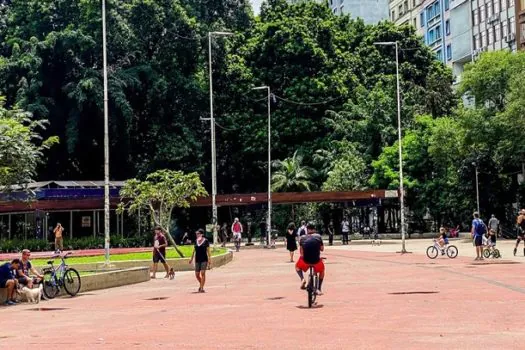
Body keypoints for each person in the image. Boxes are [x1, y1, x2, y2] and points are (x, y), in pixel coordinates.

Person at [295, 223, 325, 295]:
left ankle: (302, 279)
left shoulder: (302, 238)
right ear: (314, 229)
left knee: (297, 267)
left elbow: (301, 252)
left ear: (307, 229)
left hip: (305, 261)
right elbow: (322, 249)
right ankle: (319, 288)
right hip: (316, 261)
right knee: (322, 271)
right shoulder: (318, 236)